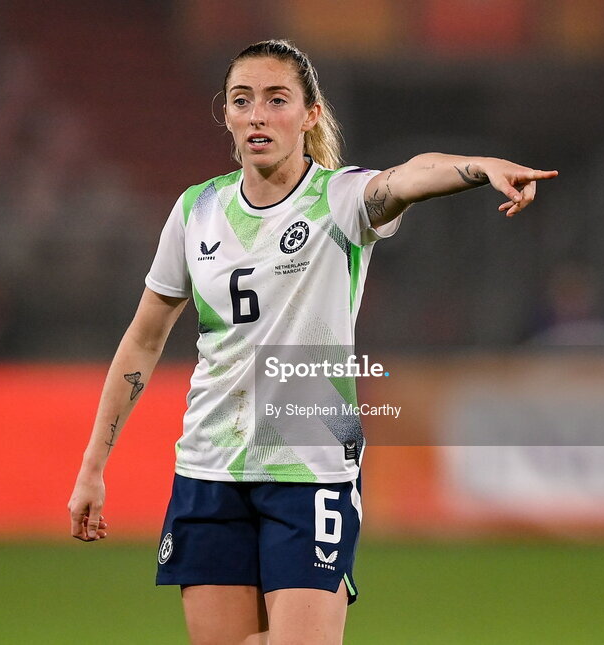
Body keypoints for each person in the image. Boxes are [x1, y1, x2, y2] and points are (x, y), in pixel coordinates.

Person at [68, 39, 558, 645]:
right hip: (209, 468)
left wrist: (479, 166)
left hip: (311, 467)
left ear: (310, 113)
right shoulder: (196, 211)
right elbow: (143, 341)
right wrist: (93, 465)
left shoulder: (340, 200)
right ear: (225, 112)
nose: (259, 115)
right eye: (243, 100)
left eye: (278, 100)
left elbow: (410, 176)